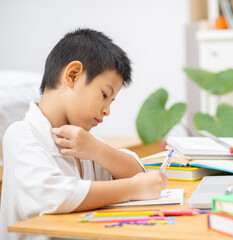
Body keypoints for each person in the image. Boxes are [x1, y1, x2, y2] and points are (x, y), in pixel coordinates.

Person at [0, 28, 167, 240]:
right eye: (104, 95)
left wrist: (98, 150)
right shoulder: (21, 135)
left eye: (111, 101)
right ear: (73, 75)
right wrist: (132, 189)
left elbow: (137, 174)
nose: (107, 110)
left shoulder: (86, 143)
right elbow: (53, 196)